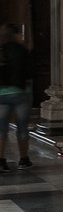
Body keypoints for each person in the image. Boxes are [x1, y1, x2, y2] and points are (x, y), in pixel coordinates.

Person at [0, 23, 32, 172]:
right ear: (15, 34)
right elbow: (29, 71)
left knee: (1, 129)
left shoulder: (1, 50)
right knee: (22, 127)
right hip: (20, 93)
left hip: (1, 93)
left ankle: (1, 161)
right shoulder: (21, 50)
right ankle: (24, 159)